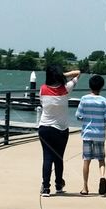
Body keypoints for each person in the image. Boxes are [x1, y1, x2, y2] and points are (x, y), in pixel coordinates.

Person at [38, 65, 80, 196]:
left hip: (44, 127)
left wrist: (56, 75)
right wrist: (63, 75)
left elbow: (42, 104)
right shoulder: (66, 89)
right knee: (59, 157)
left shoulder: (42, 89)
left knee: (47, 158)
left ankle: (45, 187)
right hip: (61, 129)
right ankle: (58, 185)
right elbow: (78, 73)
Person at [75, 74, 106, 195]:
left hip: (87, 134)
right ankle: (102, 177)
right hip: (100, 134)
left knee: (86, 160)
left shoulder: (84, 99)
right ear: (101, 87)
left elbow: (78, 116)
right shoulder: (103, 101)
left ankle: (85, 187)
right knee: (101, 159)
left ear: (90, 86)